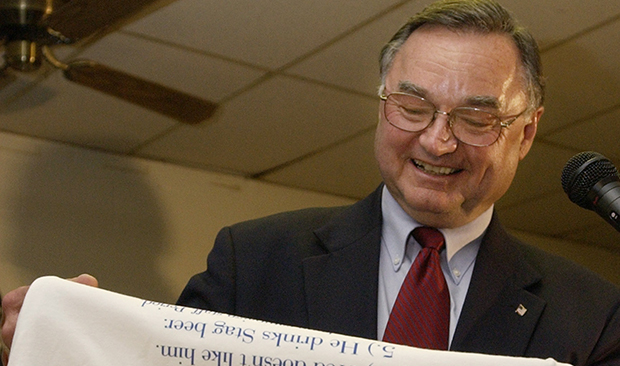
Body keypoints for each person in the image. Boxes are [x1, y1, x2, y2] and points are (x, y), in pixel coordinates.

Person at [1, 0, 619, 365]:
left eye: (477, 118)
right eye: (412, 106)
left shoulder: (592, 317)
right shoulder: (255, 259)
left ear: (528, 131)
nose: (437, 140)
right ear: (381, 105)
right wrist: (61, 341)